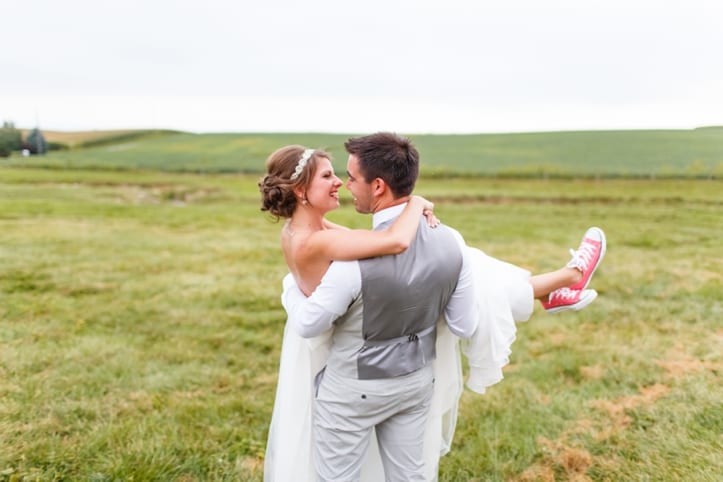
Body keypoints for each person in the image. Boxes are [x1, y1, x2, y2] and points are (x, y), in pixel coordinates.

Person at [259, 134, 606, 481]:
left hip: (354, 383)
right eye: (330, 176)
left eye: (348, 177)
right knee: (469, 261)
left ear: (378, 186)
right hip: (414, 379)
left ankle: (556, 285)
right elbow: (455, 314)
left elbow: (355, 243)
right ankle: (561, 281)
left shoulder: (314, 238)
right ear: (301, 191)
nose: (341, 183)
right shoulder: (444, 239)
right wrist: (415, 205)